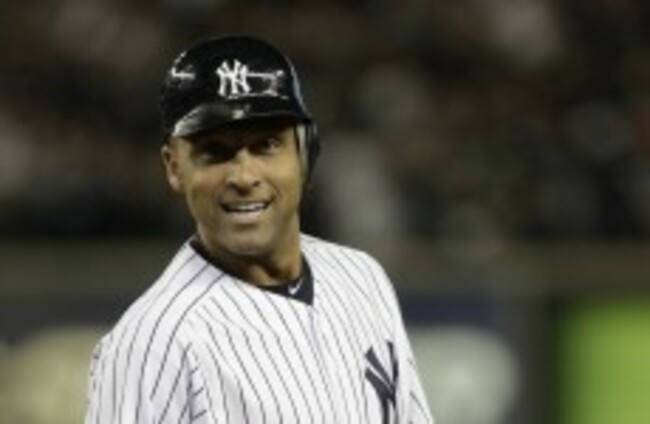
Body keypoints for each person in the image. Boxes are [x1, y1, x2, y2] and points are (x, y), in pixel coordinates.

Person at [84, 35, 434, 424]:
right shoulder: (151, 346)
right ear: (174, 167)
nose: (244, 176)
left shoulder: (361, 277)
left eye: (266, 145)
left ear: (305, 152)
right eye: (215, 151)